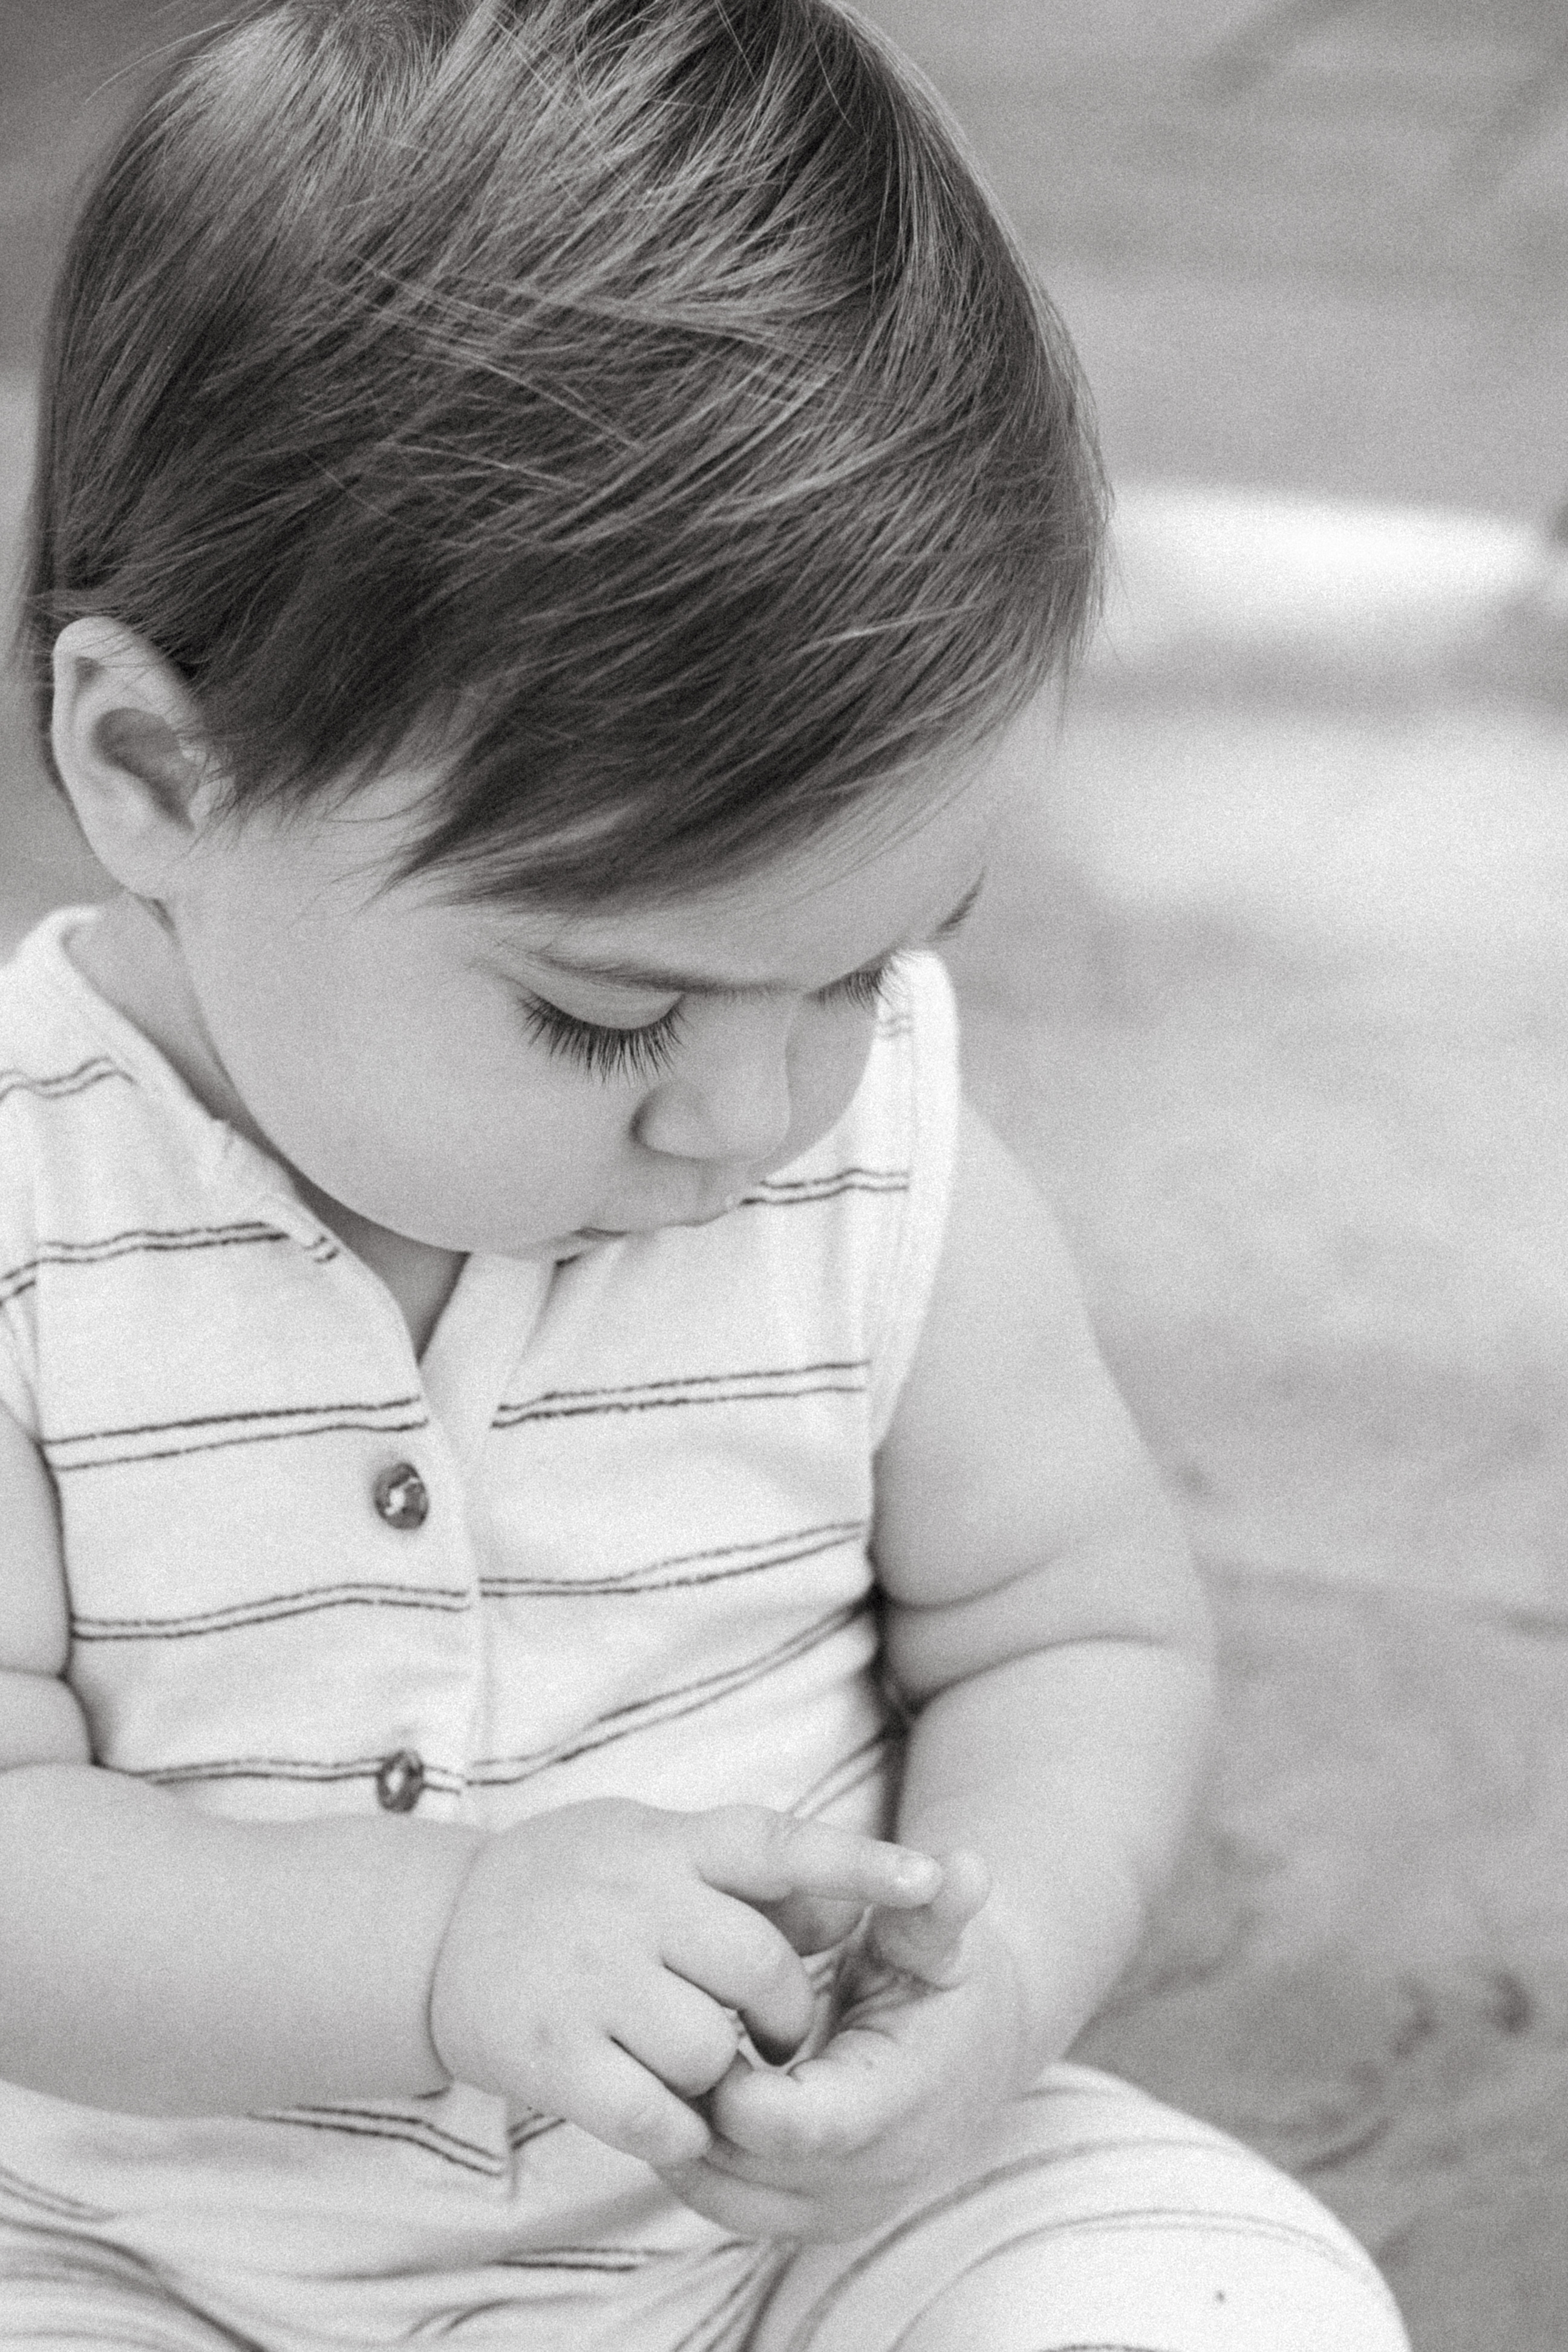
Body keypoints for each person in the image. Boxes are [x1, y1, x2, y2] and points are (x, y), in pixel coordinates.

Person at [0, 2, 1410, 2345]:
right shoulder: (28, 1219)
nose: (760, 1115)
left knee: (1235, 2296)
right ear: (157, 769)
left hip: (773, 2255)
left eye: (867, 963)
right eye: (607, 1014)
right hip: (150, 2268)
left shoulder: (879, 1164)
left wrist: (998, 1989)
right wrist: (441, 1947)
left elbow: (1073, 1631)